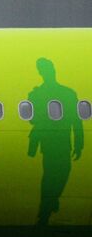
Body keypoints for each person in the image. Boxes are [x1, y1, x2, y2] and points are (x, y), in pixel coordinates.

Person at [28, 59, 83, 225]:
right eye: (43, 69)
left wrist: (79, 143)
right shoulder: (38, 94)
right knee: (51, 174)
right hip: (50, 142)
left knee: (62, 173)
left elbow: (76, 120)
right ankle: (45, 209)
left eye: (48, 68)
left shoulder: (67, 93)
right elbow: (33, 120)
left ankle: (50, 202)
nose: (47, 71)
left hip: (62, 142)